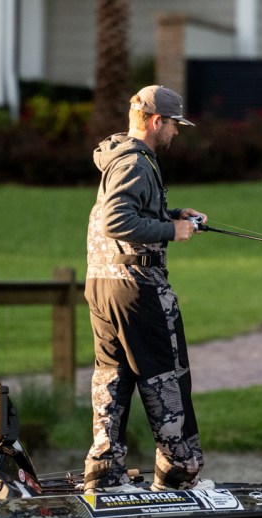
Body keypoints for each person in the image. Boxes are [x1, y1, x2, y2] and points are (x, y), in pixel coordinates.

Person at [82, 85, 210, 493]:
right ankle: (179, 473)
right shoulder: (136, 162)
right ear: (157, 122)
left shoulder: (120, 157)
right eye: (174, 125)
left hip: (103, 285)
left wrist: (174, 215)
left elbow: (131, 211)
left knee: (113, 378)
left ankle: (105, 476)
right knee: (166, 377)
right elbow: (116, 221)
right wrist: (172, 230)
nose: (176, 132)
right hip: (137, 288)